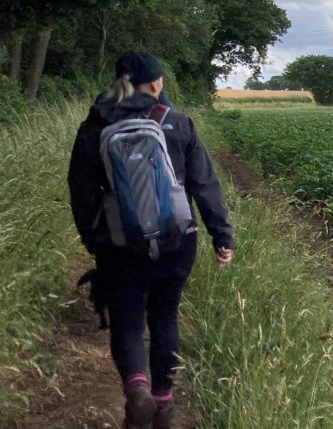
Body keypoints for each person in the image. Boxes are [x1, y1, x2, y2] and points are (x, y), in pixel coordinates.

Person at [68, 51, 235, 428]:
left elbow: (81, 192)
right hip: (178, 241)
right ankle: (163, 401)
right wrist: (221, 234)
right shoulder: (177, 122)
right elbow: (205, 185)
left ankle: (137, 389)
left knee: (127, 321)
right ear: (156, 84)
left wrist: (96, 242)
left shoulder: (94, 127)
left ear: (118, 84)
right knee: (165, 317)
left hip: (120, 244)